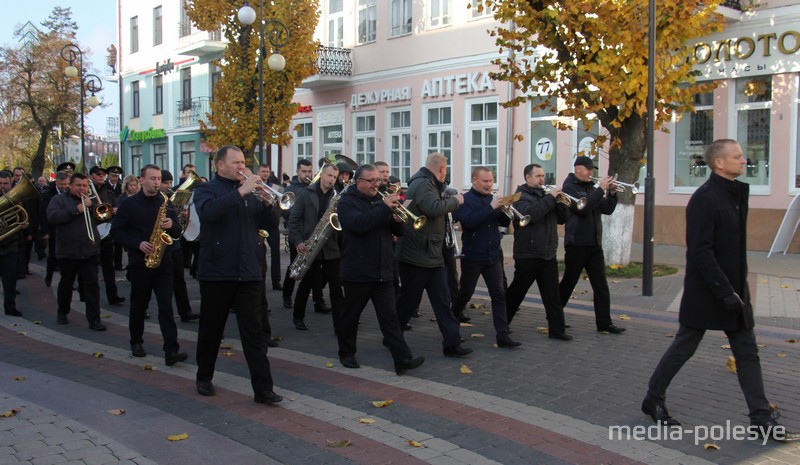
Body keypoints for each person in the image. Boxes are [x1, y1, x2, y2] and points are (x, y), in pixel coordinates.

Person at [642, 140, 799, 441]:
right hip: (708, 292)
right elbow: (701, 251)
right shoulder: (705, 198)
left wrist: (738, 291)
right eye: (737, 157)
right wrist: (725, 291)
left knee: (748, 353)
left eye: (742, 157)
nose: (744, 161)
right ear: (719, 163)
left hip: (735, 292)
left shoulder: (736, 193)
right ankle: (653, 398)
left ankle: (761, 418)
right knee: (684, 347)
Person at [193, 145, 282, 405]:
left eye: (243, 162)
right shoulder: (205, 190)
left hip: (249, 272)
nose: (242, 167)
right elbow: (209, 213)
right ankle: (204, 376)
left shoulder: (254, 192)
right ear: (220, 165)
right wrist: (242, 192)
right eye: (236, 163)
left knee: (254, 334)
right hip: (217, 272)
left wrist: (267, 205)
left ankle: (263, 389)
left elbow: (269, 226)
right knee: (212, 329)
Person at [336, 164, 425, 374]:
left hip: (382, 270)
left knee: (391, 319)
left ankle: (402, 359)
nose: (378, 184)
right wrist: (384, 208)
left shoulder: (380, 200)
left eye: (378, 180)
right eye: (372, 181)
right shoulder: (347, 203)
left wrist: (396, 220)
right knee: (351, 316)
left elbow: (399, 231)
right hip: (358, 271)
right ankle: (346, 353)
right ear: (358, 183)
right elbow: (360, 224)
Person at [110, 165, 189, 366]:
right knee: (139, 305)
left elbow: (178, 232)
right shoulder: (129, 204)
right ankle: (136, 341)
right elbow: (116, 232)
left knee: (166, 307)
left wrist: (173, 226)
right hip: (140, 263)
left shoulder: (166, 202)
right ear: (141, 180)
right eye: (152, 178)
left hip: (164, 262)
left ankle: (171, 350)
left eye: (158, 178)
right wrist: (137, 243)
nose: (156, 182)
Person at [396, 153, 472, 358]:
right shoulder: (422, 184)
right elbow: (432, 208)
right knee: (408, 301)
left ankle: (452, 343)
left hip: (432, 252)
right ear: (441, 169)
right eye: (445, 170)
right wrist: (456, 201)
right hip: (417, 254)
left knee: (442, 301)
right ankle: (392, 335)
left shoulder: (430, 183)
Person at [449, 167, 519, 348]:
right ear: (474, 181)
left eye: (491, 181)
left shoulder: (492, 199)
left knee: (499, 294)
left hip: (493, 255)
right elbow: (469, 223)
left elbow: (502, 223)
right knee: (465, 293)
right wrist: (491, 207)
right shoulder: (465, 200)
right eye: (485, 181)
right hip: (473, 255)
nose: (489, 185)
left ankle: (503, 335)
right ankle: (450, 327)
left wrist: (505, 210)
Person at [558, 156, 624, 334]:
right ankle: (555, 318)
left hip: (594, 244)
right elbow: (583, 208)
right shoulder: (569, 187)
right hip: (576, 243)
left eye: (592, 169)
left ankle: (605, 323)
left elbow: (607, 209)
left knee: (600, 285)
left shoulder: (590, 188)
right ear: (577, 169)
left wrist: (611, 194)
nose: (590, 172)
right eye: (587, 169)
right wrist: (600, 189)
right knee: (568, 283)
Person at [505, 164, 571, 340]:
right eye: (538, 176)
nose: (542, 179)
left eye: (543, 175)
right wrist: (550, 199)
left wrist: (560, 204)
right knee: (516, 293)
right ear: (528, 178)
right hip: (528, 253)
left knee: (552, 296)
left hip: (548, 253)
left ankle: (557, 331)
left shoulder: (545, 195)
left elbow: (563, 219)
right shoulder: (519, 197)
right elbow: (533, 215)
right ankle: (502, 324)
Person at [287, 162, 344, 330]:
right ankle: (298, 317)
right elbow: (293, 221)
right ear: (321, 175)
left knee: (336, 288)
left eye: (335, 177)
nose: (332, 179)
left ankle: (339, 325)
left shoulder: (337, 197)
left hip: (330, 247)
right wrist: (298, 241)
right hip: (309, 245)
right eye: (329, 175)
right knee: (306, 284)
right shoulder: (305, 193)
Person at [47, 173, 106, 331]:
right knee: (66, 284)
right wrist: (77, 209)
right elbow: (53, 217)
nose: (82, 188)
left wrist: (93, 206)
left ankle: (94, 319)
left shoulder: (91, 200)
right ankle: (62, 312)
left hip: (89, 250)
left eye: (85, 186)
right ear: (71, 186)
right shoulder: (59, 200)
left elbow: (103, 217)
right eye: (78, 185)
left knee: (92, 286)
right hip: (68, 251)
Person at [282, 159, 327, 312]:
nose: (307, 175)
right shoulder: (292, 189)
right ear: (297, 172)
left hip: (313, 235)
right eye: (304, 172)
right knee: (295, 267)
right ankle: (287, 295)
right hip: (298, 236)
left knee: (316, 271)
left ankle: (318, 301)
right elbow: (286, 212)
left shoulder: (315, 187)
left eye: (309, 171)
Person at [159, 170, 199, 323]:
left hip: (174, 243)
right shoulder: (156, 200)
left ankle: (185, 311)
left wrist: (181, 215)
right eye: (165, 183)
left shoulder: (177, 196)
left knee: (179, 278)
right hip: (158, 242)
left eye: (170, 183)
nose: (169, 186)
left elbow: (181, 222)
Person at [88, 166, 125, 306]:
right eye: (98, 174)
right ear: (91, 176)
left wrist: (115, 210)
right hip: (92, 233)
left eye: (103, 174)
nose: (101, 176)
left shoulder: (108, 192)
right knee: (91, 268)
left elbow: (114, 207)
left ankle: (113, 295)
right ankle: (86, 294)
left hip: (106, 233)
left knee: (109, 266)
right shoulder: (87, 192)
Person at [41, 171, 70, 287]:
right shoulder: (47, 194)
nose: (63, 187)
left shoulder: (69, 193)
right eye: (61, 184)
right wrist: (45, 231)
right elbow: (43, 214)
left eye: (65, 184)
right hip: (53, 229)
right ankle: (49, 276)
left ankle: (66, 280)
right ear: (56, 182)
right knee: (53, 255)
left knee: (66, 256)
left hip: (67, 229)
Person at [0, 171, 23, 316]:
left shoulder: (16, 199)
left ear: (11, 183)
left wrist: (24, 224)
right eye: (0, 184)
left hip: (10, 245)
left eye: (5, 183)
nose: (2, 186)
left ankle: (10, 306)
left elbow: (21, 217)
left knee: (10, 278)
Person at [257, 164, 283, 290]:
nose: (265, 173)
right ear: (258, 172)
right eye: (263, 171)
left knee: (276, 254)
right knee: (260, 253)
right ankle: (260, 279)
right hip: (260, 224)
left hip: (273, 224)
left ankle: (276, 280)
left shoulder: (275, 187)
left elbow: (280, 203)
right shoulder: (256, 186)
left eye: (267, 171)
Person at [106, 166, 124, 270]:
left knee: (118, 242)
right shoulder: (105, 186)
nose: (115, 178)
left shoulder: (121, 186)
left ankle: (118, 264)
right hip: (108, 215)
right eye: (113, 176)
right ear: (109, 176)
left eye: (117, 176)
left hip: (118, 215)